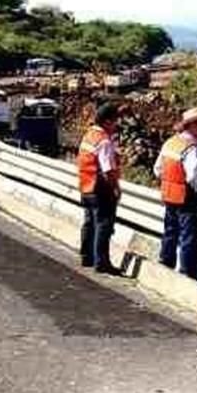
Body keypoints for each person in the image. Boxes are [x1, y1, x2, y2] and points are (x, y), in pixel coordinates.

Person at [154, 107, 197, 279]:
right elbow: (193, 174)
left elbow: (158, 169)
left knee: (170, 231)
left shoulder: (170, 142)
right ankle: (187, 272)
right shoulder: (192, 148)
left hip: (169, 194)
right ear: (193, 125)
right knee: (189, 237)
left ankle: (165, 262)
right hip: (187, 197)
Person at [77, 103, 123, 275]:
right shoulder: (103, 141)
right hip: (100, 188)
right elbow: (108, 169)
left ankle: (86, 256)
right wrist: (116, 188)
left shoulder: (89, 135)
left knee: (89, 222)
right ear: (108, 121)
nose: (116, 125)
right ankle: (101, 262)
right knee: (103, 224)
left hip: (85, 186)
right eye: (115, 121)